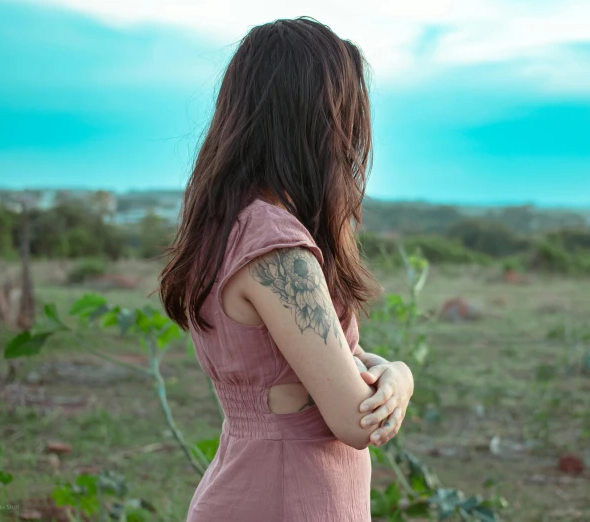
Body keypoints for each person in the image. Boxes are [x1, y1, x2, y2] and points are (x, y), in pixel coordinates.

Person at [159, 17, 415, 522]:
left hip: (254, 482)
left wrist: (379, 368)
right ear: (318, 120)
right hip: (289, 496)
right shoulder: (279, 251)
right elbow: (355, 420)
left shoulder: (231, 226)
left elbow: (329, 358)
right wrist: (402, 377)